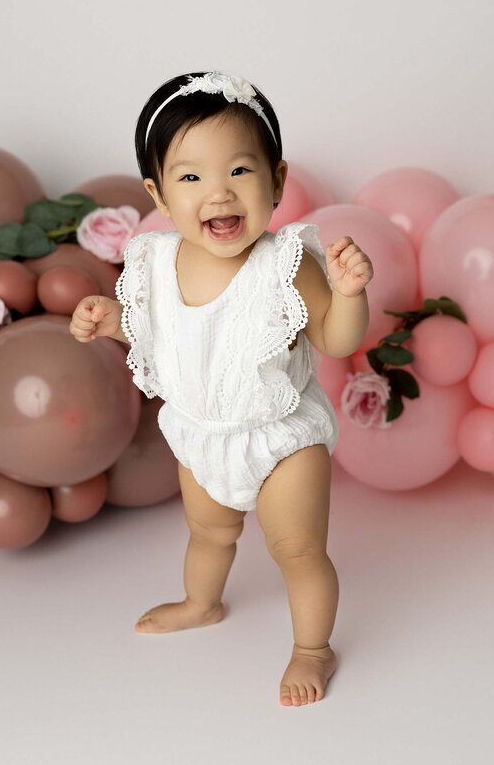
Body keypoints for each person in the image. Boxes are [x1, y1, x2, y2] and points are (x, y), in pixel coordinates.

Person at [69, 71, 374, 707]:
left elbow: (335, 340)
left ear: (278, 180)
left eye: (240, 171)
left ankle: (314, 648)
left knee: (297, 549)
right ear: (157, 192)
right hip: (201, 436)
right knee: (208, 533)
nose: (218, 195)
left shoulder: (287, 263)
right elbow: (162, 332)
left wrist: (348, 296)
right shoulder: (153, 262)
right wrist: (112, 322)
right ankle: (201, 602)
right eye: (190, 178)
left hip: (279, 437)